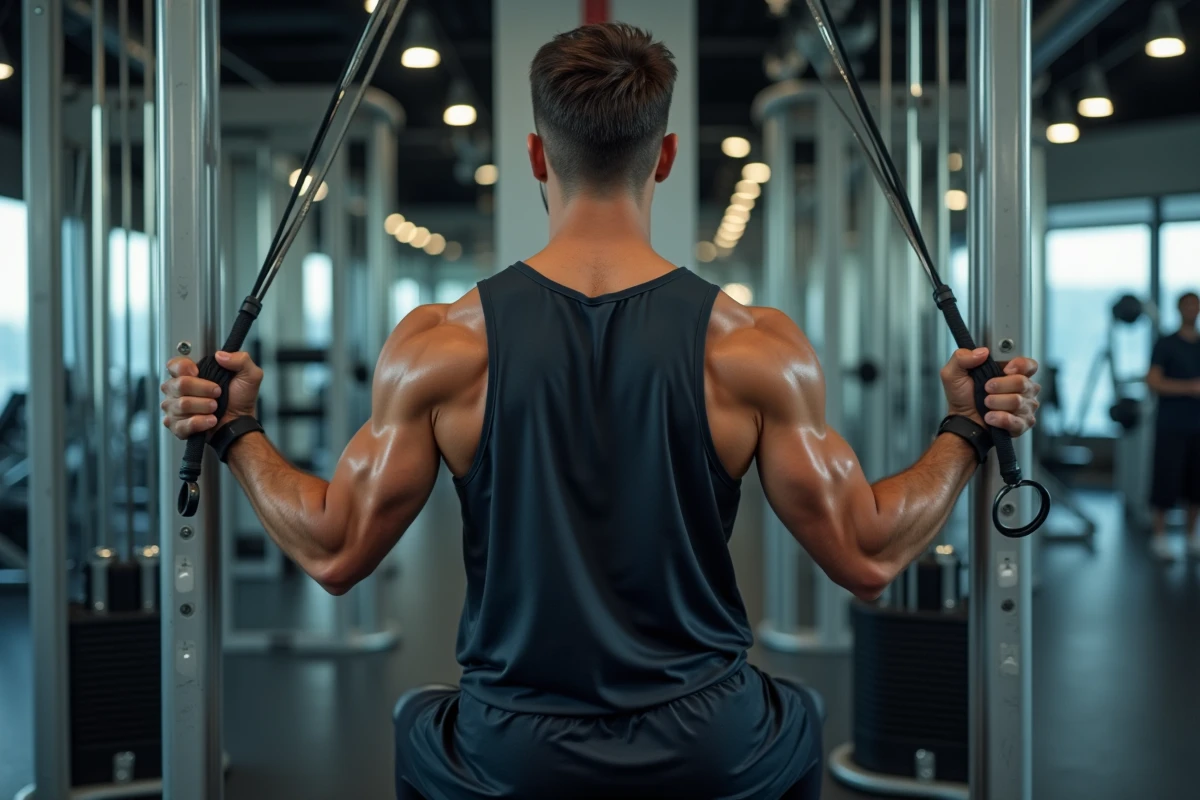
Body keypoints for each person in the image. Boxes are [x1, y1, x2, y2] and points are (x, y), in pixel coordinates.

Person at [160, 23, 1040, 800]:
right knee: (796, 712)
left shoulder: (439, 344)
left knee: (416, 722)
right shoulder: (754, 346)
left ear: (538, 155)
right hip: (708, 748)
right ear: (665, 157)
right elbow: (869, 552)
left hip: (513, 751)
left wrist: (236, 432)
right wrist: (964, 429)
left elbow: (335, 548)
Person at [1147, 291, 1200, 561]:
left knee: (1196, 485)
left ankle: (1191, 538)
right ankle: (1160, 537)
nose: (1191, 309)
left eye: (1195, 304)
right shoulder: (1166, 344)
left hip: (1197, 426)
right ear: (1179, 309)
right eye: (1187, 304)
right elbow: (1153, 382)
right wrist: (1189, 387)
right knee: (1166, 480)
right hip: (1171, 424)